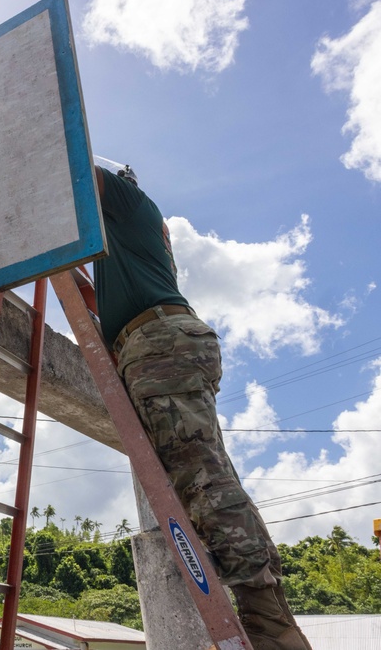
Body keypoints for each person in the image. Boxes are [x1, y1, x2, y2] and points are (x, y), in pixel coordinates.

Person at [92, 164, 312, 650]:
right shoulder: (121, 240)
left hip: (157, 341)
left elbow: (76, 166)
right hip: (158, 341)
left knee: (202, 477)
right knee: (209, 470)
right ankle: (268, 607)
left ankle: (266, 615)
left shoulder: (130, 203)